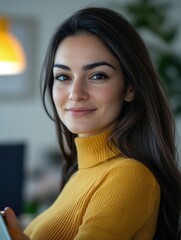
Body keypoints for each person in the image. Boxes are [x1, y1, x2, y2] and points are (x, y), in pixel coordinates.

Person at [4, 7, 181, 240]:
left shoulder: (129, 176)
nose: (75, 93)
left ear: (130, 88)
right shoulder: (79, 173)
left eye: (98, 75)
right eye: (63, 77)